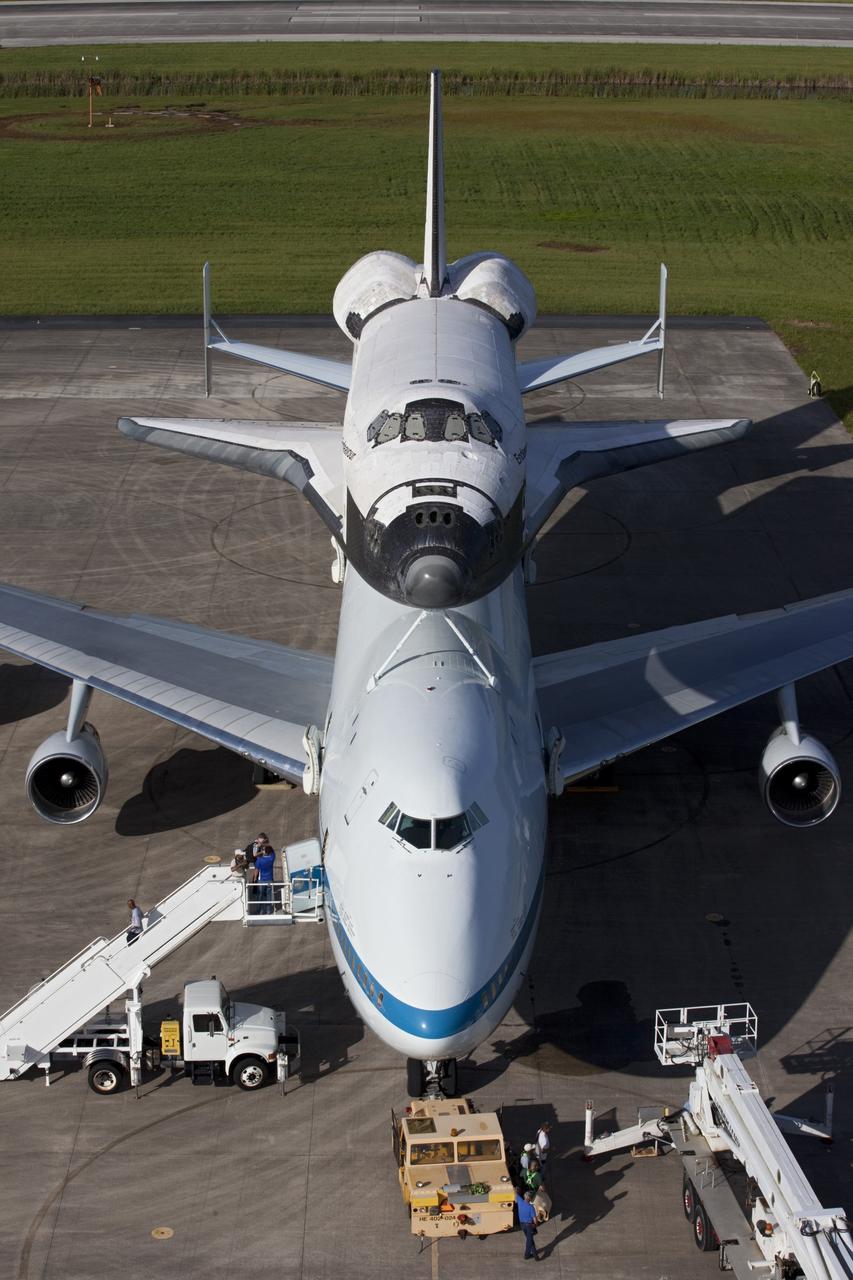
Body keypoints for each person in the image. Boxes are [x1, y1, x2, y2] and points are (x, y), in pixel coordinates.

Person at [515, 1189, 539, 1261]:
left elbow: (515, 1193)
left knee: (530, 1239)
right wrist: (535, 1225)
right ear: (530, 1199)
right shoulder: (531, 1207)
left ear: (524, 1197)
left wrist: (517, 1190)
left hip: (522, 1225)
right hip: (529, 1226)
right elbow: (535, 1219)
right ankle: (527, 1255)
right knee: (529, 1241)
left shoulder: (520, 1201)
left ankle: (535, 1255)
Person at [254, 842, 276, 915]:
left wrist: (255, 879)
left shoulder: (259, 860)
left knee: (260, 896)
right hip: (269, 879)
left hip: (262, 880)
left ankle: (260, 910)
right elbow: (272, 851)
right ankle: (268, 911)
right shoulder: (272, 858)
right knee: (269, 895)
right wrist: (266, 848)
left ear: (264, 852)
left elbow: (257, 870)